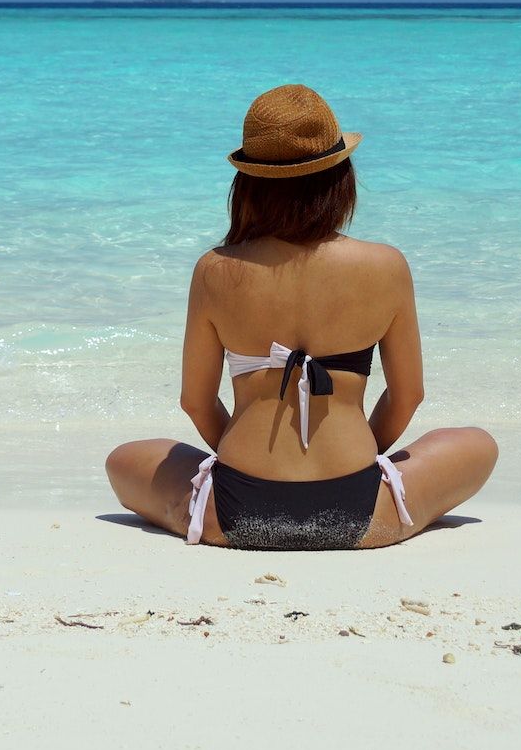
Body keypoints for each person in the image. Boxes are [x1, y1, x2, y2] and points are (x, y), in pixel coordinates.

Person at [105, 84, 498, 548]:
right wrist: (357, 456)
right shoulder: (385, 266)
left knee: (123, 459)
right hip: (359, 508)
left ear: (248, 185)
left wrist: (253, 462)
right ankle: (377, 507)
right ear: (340, 179)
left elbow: (196, 401)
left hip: (236, 509)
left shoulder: (216, 269)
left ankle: (218, 510)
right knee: (477, 444)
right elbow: (408, 395)